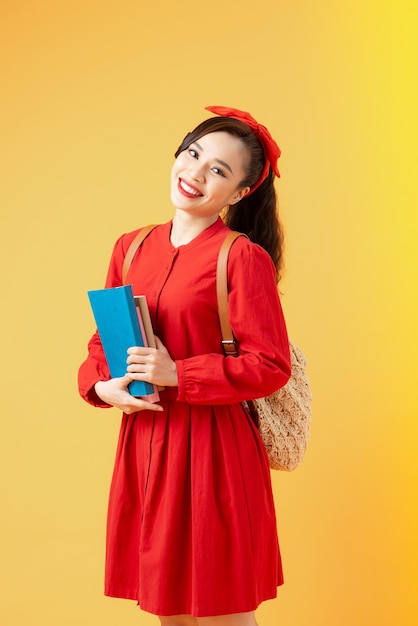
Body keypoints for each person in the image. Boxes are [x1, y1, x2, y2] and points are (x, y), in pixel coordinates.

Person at [78, 105, 291, 626]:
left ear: (240, 193)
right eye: (193, 154)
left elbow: (270, 364)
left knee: (224, 614)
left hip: (215, 452)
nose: (195, 173)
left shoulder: (241, 258)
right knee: (167, 610)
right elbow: (101, 346)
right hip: (146, 449)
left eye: (218, 169)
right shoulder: (130, 247)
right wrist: (105, 388)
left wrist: (180, 374)